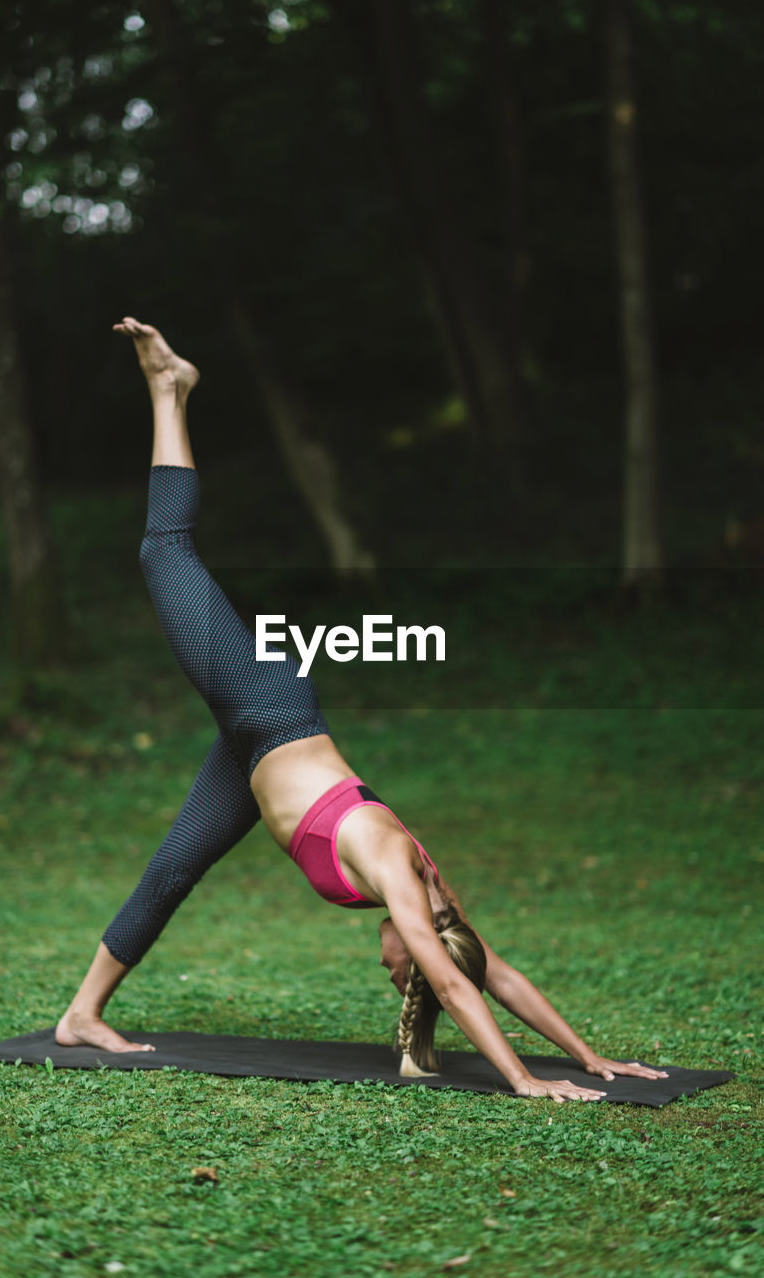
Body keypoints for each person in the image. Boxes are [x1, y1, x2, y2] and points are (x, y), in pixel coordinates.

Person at [56, 318, 668, 1103]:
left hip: (251, 759)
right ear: (417, 950)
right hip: (269, 707)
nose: (390, 971)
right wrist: (526, 1082)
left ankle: (82, 1013)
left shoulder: (440, 904)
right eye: (399, 971)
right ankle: (168, 388)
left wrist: (589, 1059)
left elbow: (496, 974)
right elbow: (452, 983)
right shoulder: (400, 881)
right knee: (164, 551)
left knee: (176, 867)